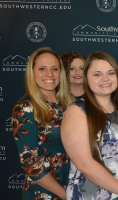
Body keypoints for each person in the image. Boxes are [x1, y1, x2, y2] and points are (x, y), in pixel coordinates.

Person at [61, 51, 118, 200]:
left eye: (110, 73)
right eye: (97, 74)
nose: (105, 79)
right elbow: (84, 164)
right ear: (87, 78)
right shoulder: (77, 111)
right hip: (92, 195)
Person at [11, 47, 74, 200]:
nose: (49, 74)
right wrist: (64, 194)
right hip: (44, 192)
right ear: (32, 73)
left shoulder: (70, 105)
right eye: (42, 69)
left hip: (74, 187)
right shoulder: (26, 108)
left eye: (54, 69)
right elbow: (29, 162)